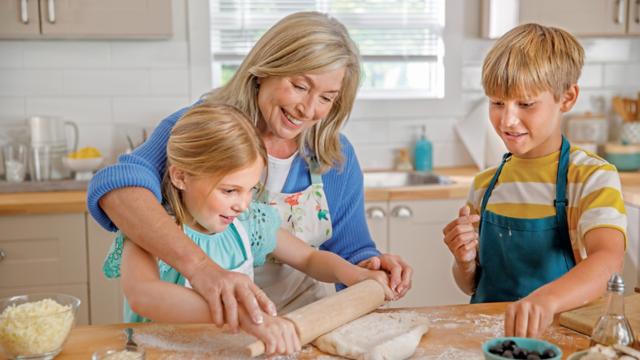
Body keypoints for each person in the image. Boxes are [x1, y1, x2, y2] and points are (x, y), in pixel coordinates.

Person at [88, 11, 412, 330]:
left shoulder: (334, 155)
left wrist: (370, 266)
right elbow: (119, 188)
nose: (310, 109)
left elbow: (346, 252)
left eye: (327, 97)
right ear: (265, 69)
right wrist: (203, 270)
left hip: (301, 325)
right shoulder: (206, 131)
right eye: (300, 86)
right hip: (220, 324)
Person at [103, 104, 394, 355]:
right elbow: (144, 294)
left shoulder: (247, 223)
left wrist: (354, 273)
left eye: (250, 190)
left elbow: (308, 259)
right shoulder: (153, 231)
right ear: (180, 175)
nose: (242, 204)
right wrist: (244, 317)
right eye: (229, 190)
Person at [442, 23, 626, 338]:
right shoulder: (486, 185)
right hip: (490, 340)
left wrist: (545, 301)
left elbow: (608, 260)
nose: (507, 119)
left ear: (567, 98)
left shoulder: (591, 178)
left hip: (562, 339)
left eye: (525, 104)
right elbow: (470, 284)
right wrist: (465, 262)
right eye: (497, 103)